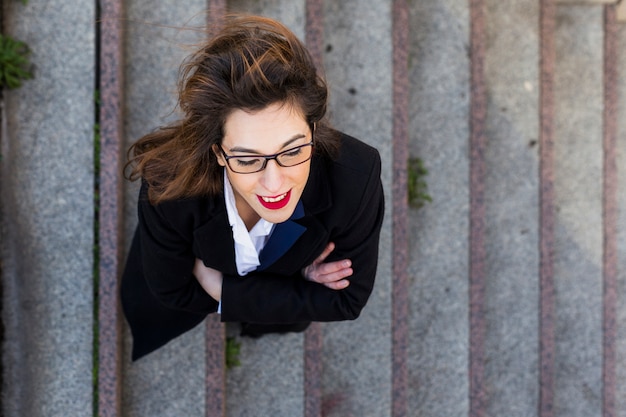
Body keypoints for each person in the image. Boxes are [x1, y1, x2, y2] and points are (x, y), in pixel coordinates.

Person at [121, 15, 384, 360]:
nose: (274, 184)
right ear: (217, 152)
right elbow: (171, 289)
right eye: (247, 160)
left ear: (314, 134)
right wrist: (294, 290)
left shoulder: (356, 176)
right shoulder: (170, 186)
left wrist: (224, 290)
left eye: (292, 151)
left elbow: (347, 301)